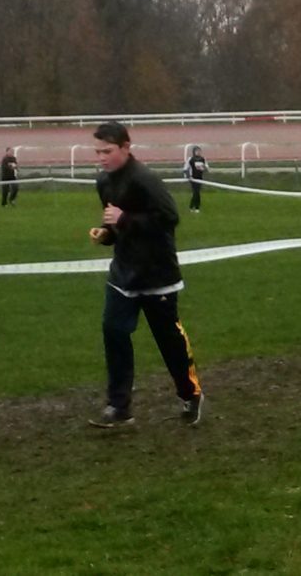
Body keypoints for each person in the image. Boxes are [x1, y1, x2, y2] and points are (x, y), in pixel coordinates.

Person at [87, 121, 204, 428]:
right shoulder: (104, 182)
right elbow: (117, 228)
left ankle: (190, 394)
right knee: (114, 332)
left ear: (126, 148)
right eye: (97, 151)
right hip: (123, 274)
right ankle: (119, 405)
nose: (101, 157)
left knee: (169, 340)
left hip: (157, 274)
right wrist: (107, 234)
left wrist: (125, 219)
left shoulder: (146, 179)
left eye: (108, 151)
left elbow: (169, 219)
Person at [184, 145, 208, 212]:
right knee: (196, 192)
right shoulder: (190, 159)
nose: (198, 152)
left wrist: (204, 168)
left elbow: (206, 168)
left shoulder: (203, 159)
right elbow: (185, 169)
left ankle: (195, 207)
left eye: (199, 151)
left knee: (197, 192)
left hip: (200, 178)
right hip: (193, 178)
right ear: (194, 152)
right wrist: (189, 176)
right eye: (197, 151)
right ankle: (194, 207)